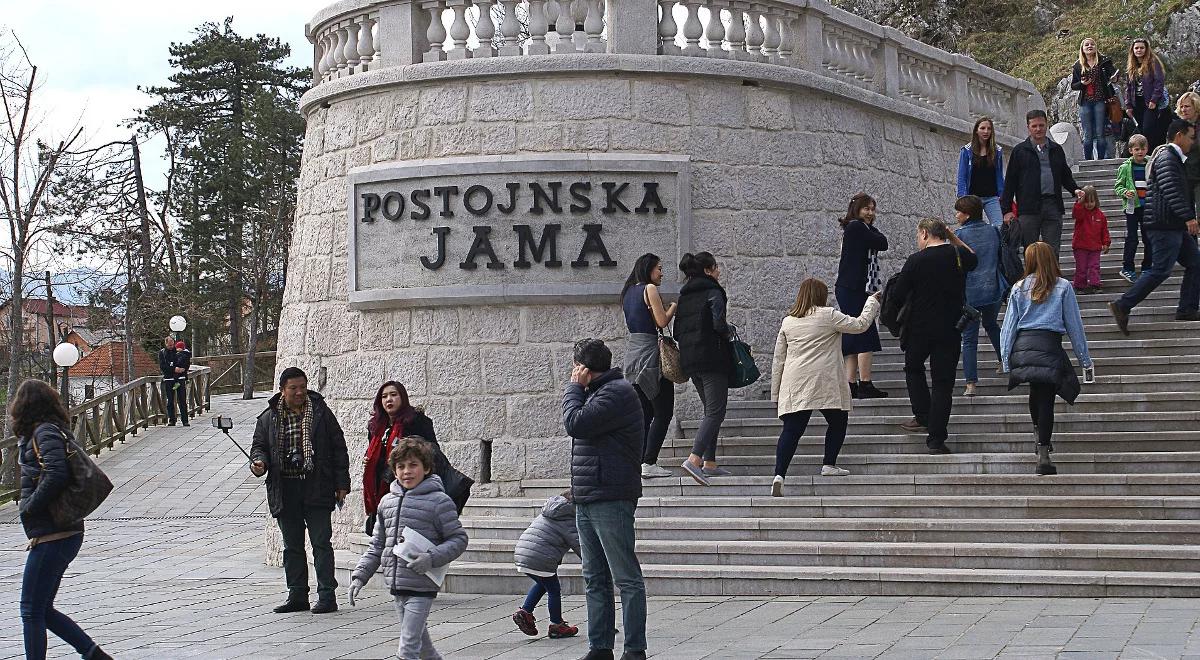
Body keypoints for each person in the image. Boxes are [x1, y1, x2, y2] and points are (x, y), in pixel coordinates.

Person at [15, 379, 113, 660]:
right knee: (42, 608)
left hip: (53, 532)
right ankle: (94, 654)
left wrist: (30, 506)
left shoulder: (44, 432)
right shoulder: (48, 431)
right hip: (59, 532)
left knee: (31, 608)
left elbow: (56, 473)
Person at [562, 338, 647, 660]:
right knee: (594, 576)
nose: (574, 374)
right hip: (589, 494)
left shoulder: (616, 393)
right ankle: (600, 647)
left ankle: (634, 649)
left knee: (625, 576)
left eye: (576, 368)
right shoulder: (599, 392)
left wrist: (573, 388)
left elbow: (575, 423)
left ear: (583, 368)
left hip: (611, 495)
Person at [349, 437, 468, 660]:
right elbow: (377, 546)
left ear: (426, 468)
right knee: (424, 648)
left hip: (422, 585)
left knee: (408, 648)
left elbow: (458, 539)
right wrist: (359, 576)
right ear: (394, 471)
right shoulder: (386, 503)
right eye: (401, 466)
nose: (407, 471)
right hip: (397, 585)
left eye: (413, 465)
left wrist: (430, 558)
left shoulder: (439, 502)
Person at [249, 367, 350, 614]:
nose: (299, 392)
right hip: (285, 488)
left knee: (321, 543)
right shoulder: (268, 418)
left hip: (317, 486)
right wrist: (259, 463)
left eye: (303, 387)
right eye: (293, 388)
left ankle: (327, 595)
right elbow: (259, 446)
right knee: (292, 546)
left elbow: (339, 447)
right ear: (282, 390)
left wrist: (341, 483)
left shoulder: (321, 413)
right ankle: (297, 595)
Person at [770, 278, 880, 494]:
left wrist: (776, 393)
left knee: (791, 431)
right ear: (820, 296)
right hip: (825, 380)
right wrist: (871, 302)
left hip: (796, 382)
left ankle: (779, 475)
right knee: (838, 420)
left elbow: (778, 360)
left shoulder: (788, 322)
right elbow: (860, 325)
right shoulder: (828, 315)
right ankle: (829, 464)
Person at [1001, 242, 1094, 476]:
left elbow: (1008, 326)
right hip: (1049, 344)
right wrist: (1085, 360)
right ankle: (1043, 453)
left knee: (1036, 391)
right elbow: (1075, 325)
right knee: (1046, 400)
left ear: (1029, 260)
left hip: (1024, 345)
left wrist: (1005, 358)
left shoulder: (1018, 287)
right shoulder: (1062, 286)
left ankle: (1038, 435)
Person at [887, 218, 977, 454]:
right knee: (943, 384)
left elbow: (898, 294)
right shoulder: (957, 256)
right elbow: (974, 258)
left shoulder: (916, 260)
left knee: (913, 368)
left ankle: (923, 414)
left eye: (918, 236)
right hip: (950, 329)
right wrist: (953, 237)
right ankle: (936, 439)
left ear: (925, 234)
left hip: (920, 329)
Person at [1109, 120, 1200, 333]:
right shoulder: (1168, 158)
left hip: (1172, 224)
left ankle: (1187, 308)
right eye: (1190, 136)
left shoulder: (1174, 158)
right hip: (1164, 224)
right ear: (1179, 136)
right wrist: (1189, 217)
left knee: (1196, 263)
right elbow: (1171, 189)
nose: (1192, 141)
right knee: (1160, 270)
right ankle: (1122, 305)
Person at [673, 251, 733, 486]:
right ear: (708, 270)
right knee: (716, 411)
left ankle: (710, 463)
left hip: (690, 360)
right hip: (712, 358)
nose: (719, 271)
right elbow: (718, 323)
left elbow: (677, 331)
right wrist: (727, 332)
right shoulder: (714, 291)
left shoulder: (684, 296)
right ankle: (694, 459)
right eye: (716, 267)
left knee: (711, 410)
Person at [620, 253, 677, 479]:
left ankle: (639, 460)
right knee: (664, 411)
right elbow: (662, 322)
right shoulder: (650, 289)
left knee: (645, 412)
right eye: (659, 269)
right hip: (650, 355)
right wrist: (672, 306)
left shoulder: (627, 293)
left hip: (633, 353)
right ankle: (649, 461)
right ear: (649, 269)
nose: (662, 273)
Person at [1002, 110, 1085, 257]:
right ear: (1028, 127)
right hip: (1028, 207)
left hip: (1052, 204)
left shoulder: (1056, 149)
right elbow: (1010, 182)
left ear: (1046, 125)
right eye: (1034, 126)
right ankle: (1032, 279)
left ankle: (1053, 279)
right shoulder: (1019, 151)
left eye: (1041, 125)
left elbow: (1065, 175)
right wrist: (1007, 209)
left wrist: (1075, 190)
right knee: (1030, 250)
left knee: (1053, 249)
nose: (1038, 129)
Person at [362, 381, 437, 535]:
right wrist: (368, 458)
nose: (388, 399)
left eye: (393, 395)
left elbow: (432, 452)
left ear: (402, 397)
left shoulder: (416, 421)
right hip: (381, 487)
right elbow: (377, 451)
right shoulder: (376, 426)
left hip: (408, 485)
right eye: (384, 396)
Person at [835, 193, 889, 399]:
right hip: (854, 288)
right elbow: (882, 242)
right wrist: (870, 227)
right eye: (866, 208)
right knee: (865, 332)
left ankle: (851, 383)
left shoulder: (857, 228)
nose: (870, 213)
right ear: (856, 209)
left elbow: (880, 241)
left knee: (854, 333)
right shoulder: (857, 227)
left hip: (853, 287)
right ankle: (864, 382)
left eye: (873, 209)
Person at [953, 195, 1005, 397]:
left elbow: (958, 268)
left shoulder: (960, 236)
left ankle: (971, 384)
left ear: (966, 215)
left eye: (958, 212)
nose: (956, 215)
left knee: (969, 339)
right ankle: (1005, 361)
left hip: (970, 294)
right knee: (992, 325)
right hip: (993, 289)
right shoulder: (993, 231)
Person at [512, 490, 581, 640]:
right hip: (540, 557)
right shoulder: (567, 518)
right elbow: (578, 544)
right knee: (554, 589)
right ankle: (557, 625)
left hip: (523, 552)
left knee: (544, 583)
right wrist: (593, 561)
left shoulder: (551, 510)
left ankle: (525, 612)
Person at [1113, 134, 1154, 282]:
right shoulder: (1125, 167)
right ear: (1131, 150)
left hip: (1149, 206)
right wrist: (1125, 192)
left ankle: (1147, 266)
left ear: (1147, 149)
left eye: (1143, 149)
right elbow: (1118, 186)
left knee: (1148, 238)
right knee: (1132, 238)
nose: (1140, 152)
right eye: (1137, 149)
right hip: (1132, 207)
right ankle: (1128, 268)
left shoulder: (1151, 164)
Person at [1071, 38, 1118, 160]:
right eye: (1086, 45)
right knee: (1087, 134)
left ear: (1096, 47)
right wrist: (1082, 84)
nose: (1089, 46)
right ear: (1082, 49)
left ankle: (1101, 159)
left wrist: (1114, 77)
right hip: (1085, 102)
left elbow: (1114, 75)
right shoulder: (1078, 65)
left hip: (1100, 100)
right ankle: (1088, 160)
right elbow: (1073, 85)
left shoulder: (1103, 62)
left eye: (1092, 44)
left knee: (1100, 132)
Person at [957, 117, 1007, 227]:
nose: (986, 131)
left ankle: (996, 244)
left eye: (989, 129)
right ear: (976, 130)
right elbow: (962, 176)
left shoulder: (997, 151)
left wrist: (1002, 194)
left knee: (999, 226)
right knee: (970, 227)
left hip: (992, 197)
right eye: (982, 128)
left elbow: (999, 175)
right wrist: (962, 197)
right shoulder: (966, 150)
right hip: (973, 198)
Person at [1125, 38, 1170, 150]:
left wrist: (1154, 99)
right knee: (1140, 129)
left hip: (1149, 101)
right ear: (1133, 50)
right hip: (1137, 102)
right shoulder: (1132, 65)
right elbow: (1129, 87)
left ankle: (1151, 152)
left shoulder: (1153, 62)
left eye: (1141, 48)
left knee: (1148, 128)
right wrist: (1128, 105)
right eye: (1136, 48)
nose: (1139, 50)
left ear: (1146, 49)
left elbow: (1159, 81)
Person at [1071, 186, 1111, 293]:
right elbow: (1075, 214)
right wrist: (1079, 202)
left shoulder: (1100, 215)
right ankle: (1079, 286)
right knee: (1081, 267)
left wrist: (1106, 243)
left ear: (1096, 201)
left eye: (1092, 201)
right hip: (1081, 246)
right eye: (1086, 202)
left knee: (1094, 266)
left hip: (1095, 247)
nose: (1089, 204)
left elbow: (1104, 231)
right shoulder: (1081, 212)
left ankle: (1095, 284)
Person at [1176, 91, 1200, 220]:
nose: (1183, 109)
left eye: (1187, 106)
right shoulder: (1178, 127)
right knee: (1187, 219)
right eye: (1182, 106)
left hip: (1198, 177)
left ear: (1195, 106)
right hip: (1184, 177)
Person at [157, 336, 182, 426]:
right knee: (170, 400)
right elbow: (163, 366)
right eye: (170, 345)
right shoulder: (162, 353)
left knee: (181, 399)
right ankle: (172, 419)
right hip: (168, 379)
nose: (171, 346)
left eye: (172, 344)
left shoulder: (177, 351)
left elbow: (181, 362)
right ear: (166, 344)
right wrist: (174, 369)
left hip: (178, 378)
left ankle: (184, 419)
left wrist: (178, 370)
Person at [170, 340, 191, 426]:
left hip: (180, 378)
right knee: (174, 400)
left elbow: (183, 365)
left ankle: (184, 420)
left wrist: (175, 367)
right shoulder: (178, 355)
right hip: (176, 377)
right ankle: (175, 419)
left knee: (182, 400)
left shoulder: (184, 355)